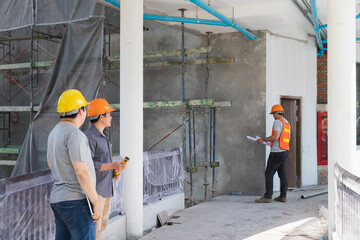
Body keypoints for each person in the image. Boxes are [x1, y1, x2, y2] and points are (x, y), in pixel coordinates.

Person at [47, 89, 101, 240]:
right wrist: (96, 201)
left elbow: (51, 163)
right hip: (76, 201)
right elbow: (81, 171)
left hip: (58, 200)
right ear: (80, 111)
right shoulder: (75, 134)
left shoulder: (54, 133)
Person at [84, 98, 126, 240]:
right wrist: (113, 165)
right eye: (108, 114)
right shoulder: (89, 137)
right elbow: (89, 165)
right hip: (96, 191)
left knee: (101, 226)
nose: (111, 117)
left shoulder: (103, 136)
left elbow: (101, 162)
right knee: (95, 230)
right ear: (101, 117)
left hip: (106, 188)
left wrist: (114, 171)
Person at [255, 104, 291, 203]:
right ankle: (283, 196)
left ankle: (267, 197)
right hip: (284, 151)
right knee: (282, 174)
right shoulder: (286, 122)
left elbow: (275, 136)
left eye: (273, 113)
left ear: (276, 113)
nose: (272, 116)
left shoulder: (277, 122)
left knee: (269, 173)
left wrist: (263, 139)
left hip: (277, 152)